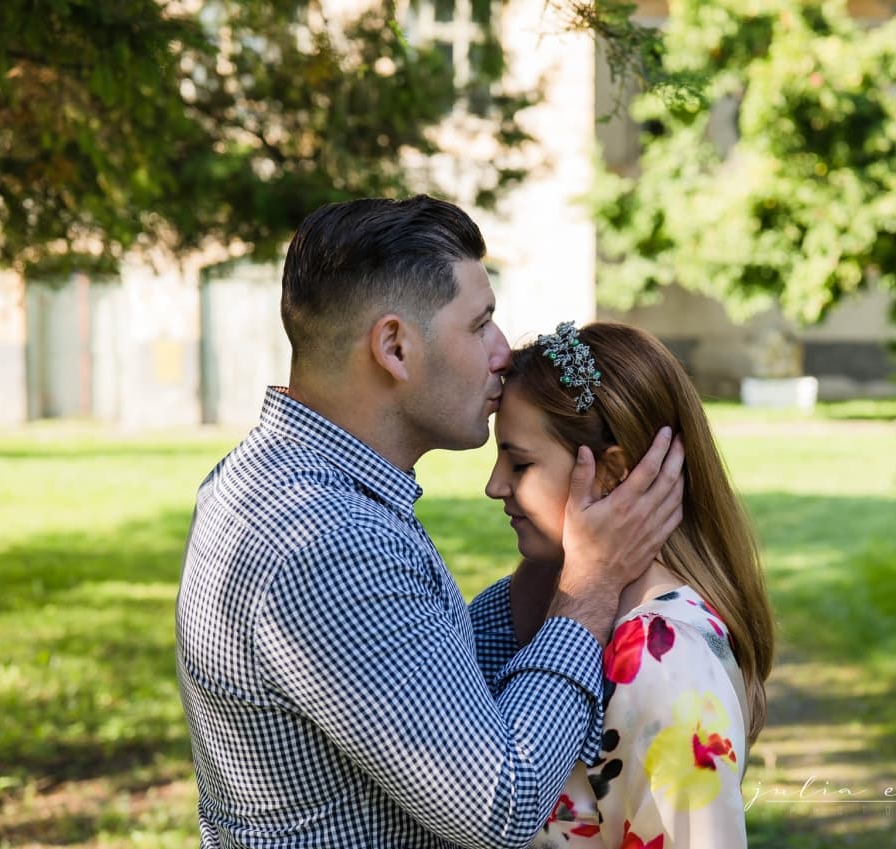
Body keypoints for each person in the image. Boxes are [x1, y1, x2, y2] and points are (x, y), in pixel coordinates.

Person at [175, 196, 686, 849]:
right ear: (394, 347)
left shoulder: (270, 479)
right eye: (481, 324)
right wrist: (588, 590)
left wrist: (557, 567)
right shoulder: (328, 538)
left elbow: (421, 677)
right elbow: (498, 805)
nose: (504, 353)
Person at [475, 321, 775, 848]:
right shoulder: (555, 610)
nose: (494, 485)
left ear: (610, 471)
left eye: (520, 463)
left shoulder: (664, 660)